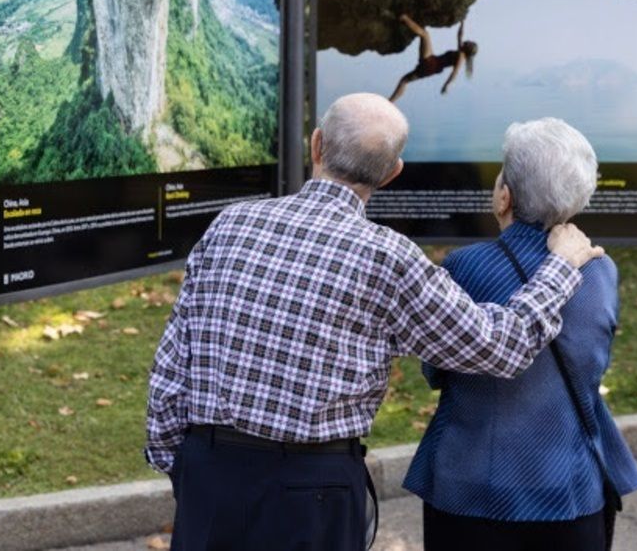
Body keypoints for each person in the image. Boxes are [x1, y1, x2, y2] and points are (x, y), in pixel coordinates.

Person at [146, 93, 605, 551]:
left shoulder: (230, 225)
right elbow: (500, 347)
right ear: (391, 173)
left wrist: (183, 466)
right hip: (315, 493)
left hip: (209, 473)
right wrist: (562, 267)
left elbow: (171, 363)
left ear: (317, 146)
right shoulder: (389, 257)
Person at [404, 119, 637, 550]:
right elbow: (593, 364)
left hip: (468, 489)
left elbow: (436, 369)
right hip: (569, 488)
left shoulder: (464, 267)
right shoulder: (600, 270)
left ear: (504, 196)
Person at [389, 14, 478, 102]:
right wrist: (462, 22)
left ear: (468, 48)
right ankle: (391, 102)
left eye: (469, 43)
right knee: (404, 81)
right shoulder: (460, 53)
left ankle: (404, 17)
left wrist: (446, 85)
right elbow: (460, 36)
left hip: (431, 63)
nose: (467, 41)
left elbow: (455, 72)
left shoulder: (461, 56)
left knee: (425, 34)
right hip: (430, 68)